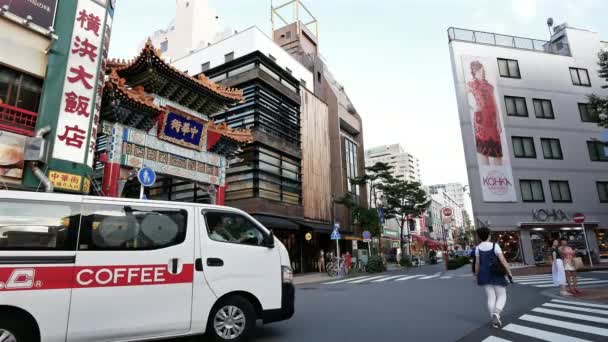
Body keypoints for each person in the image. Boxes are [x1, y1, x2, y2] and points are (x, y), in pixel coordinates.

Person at [474, 227, 513, 329]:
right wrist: (509, 272)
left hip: (483, 274)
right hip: (496, 273)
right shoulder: (495, 246)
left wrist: (476, 275)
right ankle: (497, 313)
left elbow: (477, 263)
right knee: (502, 295)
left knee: (491, 297)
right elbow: (503, 260)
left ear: (479, 237)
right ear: (489, 235)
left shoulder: (478, 248)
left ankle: (494, 320)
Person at [467, 60, 503, 166]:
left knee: (497, 153)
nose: (481, 73)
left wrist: (499, 122)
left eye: (482, 71)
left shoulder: (490, 86)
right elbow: (462, 96)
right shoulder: (470, 84)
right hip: (480, 119)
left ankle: (499, 175)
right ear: (474, 72)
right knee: (483, 151)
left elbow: (495, 105)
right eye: (478, 71)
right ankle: (486, 176)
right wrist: (473, 107)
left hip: (492, 119)